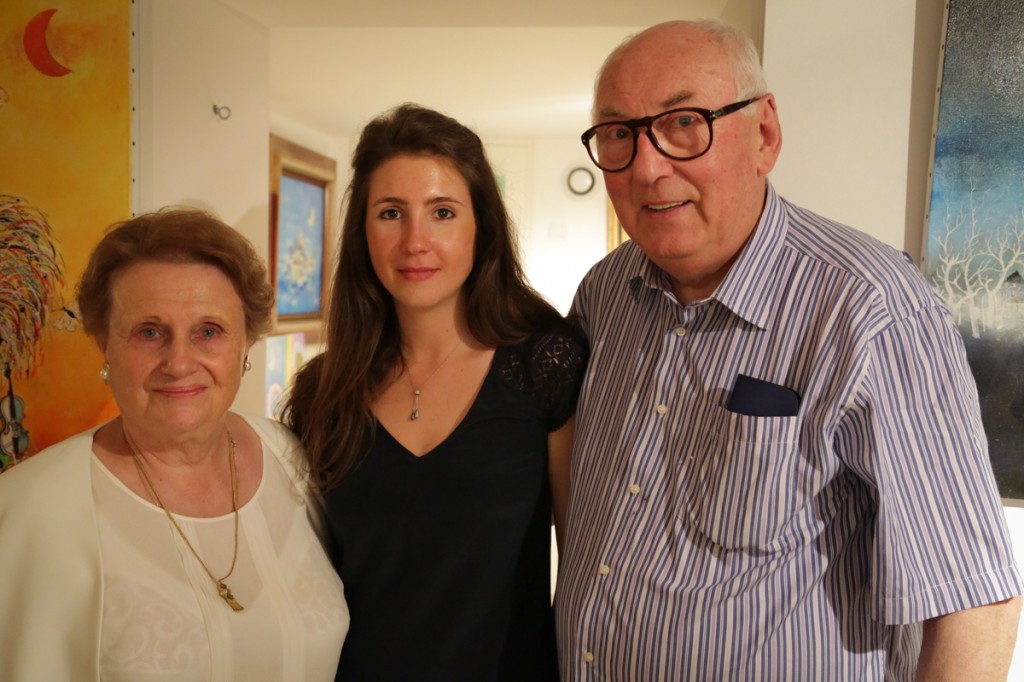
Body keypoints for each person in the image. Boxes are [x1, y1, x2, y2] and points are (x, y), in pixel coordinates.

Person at [555, 19, 1023, 681]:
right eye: (617, 134)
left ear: (764, 133)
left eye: (684, 122)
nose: (648, 166)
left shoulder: (869, 308)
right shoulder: (606, 292)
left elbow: (975, 601)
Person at [283, 103, 586, 681]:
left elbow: (581, 568)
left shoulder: (544, 364)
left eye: (442, 212)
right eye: (390, 213)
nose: (414, 241)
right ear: (362, 231)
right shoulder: (322, 392)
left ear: (482, 228)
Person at [0, 208, 349, 681]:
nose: (179, 362)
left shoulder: (292, 459)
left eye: (209, 331)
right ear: (104, 343)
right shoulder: (28, 509)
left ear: (245, 343)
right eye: (149, 332)